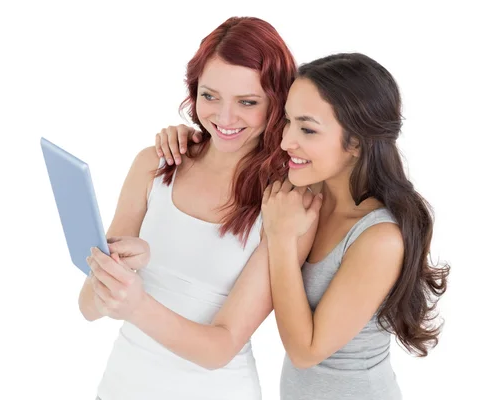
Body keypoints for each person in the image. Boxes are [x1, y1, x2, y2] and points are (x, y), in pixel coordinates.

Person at [155, 52, 450, 399]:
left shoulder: (379, 238)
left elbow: (306, 351)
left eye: (307, 129)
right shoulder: (304, 189)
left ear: (355, 142)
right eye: (288, 121)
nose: (286, 141)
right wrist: (187, 138)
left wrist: (281, 240)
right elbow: (233, 149)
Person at [79, 16, 317, 400]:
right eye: (210, 96)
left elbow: (220, 348)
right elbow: (88, 306)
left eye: (248, 102)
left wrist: (137, 303)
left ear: (278, 102)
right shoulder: (154, 164)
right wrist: (121, 271)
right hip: (118, 388)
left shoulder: (287, 203)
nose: (224, 118)